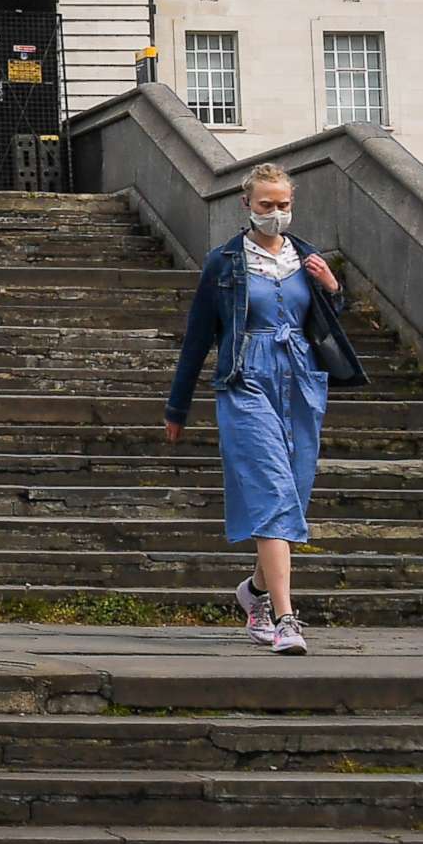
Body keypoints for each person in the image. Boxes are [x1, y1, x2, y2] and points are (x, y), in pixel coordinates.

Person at [163, 162, 364, 656]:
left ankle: (252, 594)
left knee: (290, 498)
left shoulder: (308, 257)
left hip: (301, 381)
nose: (276, 214)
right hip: (246, 377)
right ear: (247, 205)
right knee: (272, 492)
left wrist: (333, 289)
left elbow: (321, 322)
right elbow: (197, 337)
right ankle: (286, 618)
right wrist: (178, 406)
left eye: (284, 205)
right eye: (266, 205)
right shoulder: (224, 263)